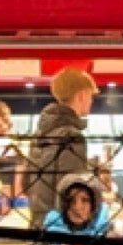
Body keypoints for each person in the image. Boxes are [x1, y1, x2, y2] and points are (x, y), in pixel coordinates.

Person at [26, 67, 95, 224]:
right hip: (60, 227)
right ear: (82, 95)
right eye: (91, 96)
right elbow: (72, 193)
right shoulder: (71, 137)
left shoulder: (40, 133)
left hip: (39, 220)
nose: (91, 101)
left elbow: (28, 182)